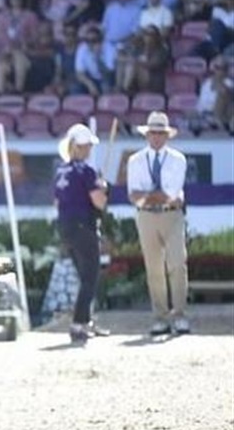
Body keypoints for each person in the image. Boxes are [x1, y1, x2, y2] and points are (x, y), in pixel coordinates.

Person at [125, 112, 190, 336]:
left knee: (177, 264)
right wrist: (157, 197)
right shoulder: (135, 160)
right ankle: (160, 317)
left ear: (167, 136)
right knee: (153, 268)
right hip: (146, 216)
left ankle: (179, 315)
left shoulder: (178, 159)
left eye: (160, 133)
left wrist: (148, 196)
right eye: (153, 132)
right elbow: (133, 195)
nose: (156, 137)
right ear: (147, 135)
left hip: (171, 215)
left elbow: (171, 194)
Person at [53, 123, 110, 344]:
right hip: (83, 227)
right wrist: (104, 188)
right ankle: (78, 324)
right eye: (87, 146)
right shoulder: (87, 171)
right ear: (78, 147)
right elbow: (99, 202)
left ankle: (86, 321)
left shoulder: (60, 171)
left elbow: (57, 202)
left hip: (65, 227)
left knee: (84, 276)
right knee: (90, 277)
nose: (89, 150)